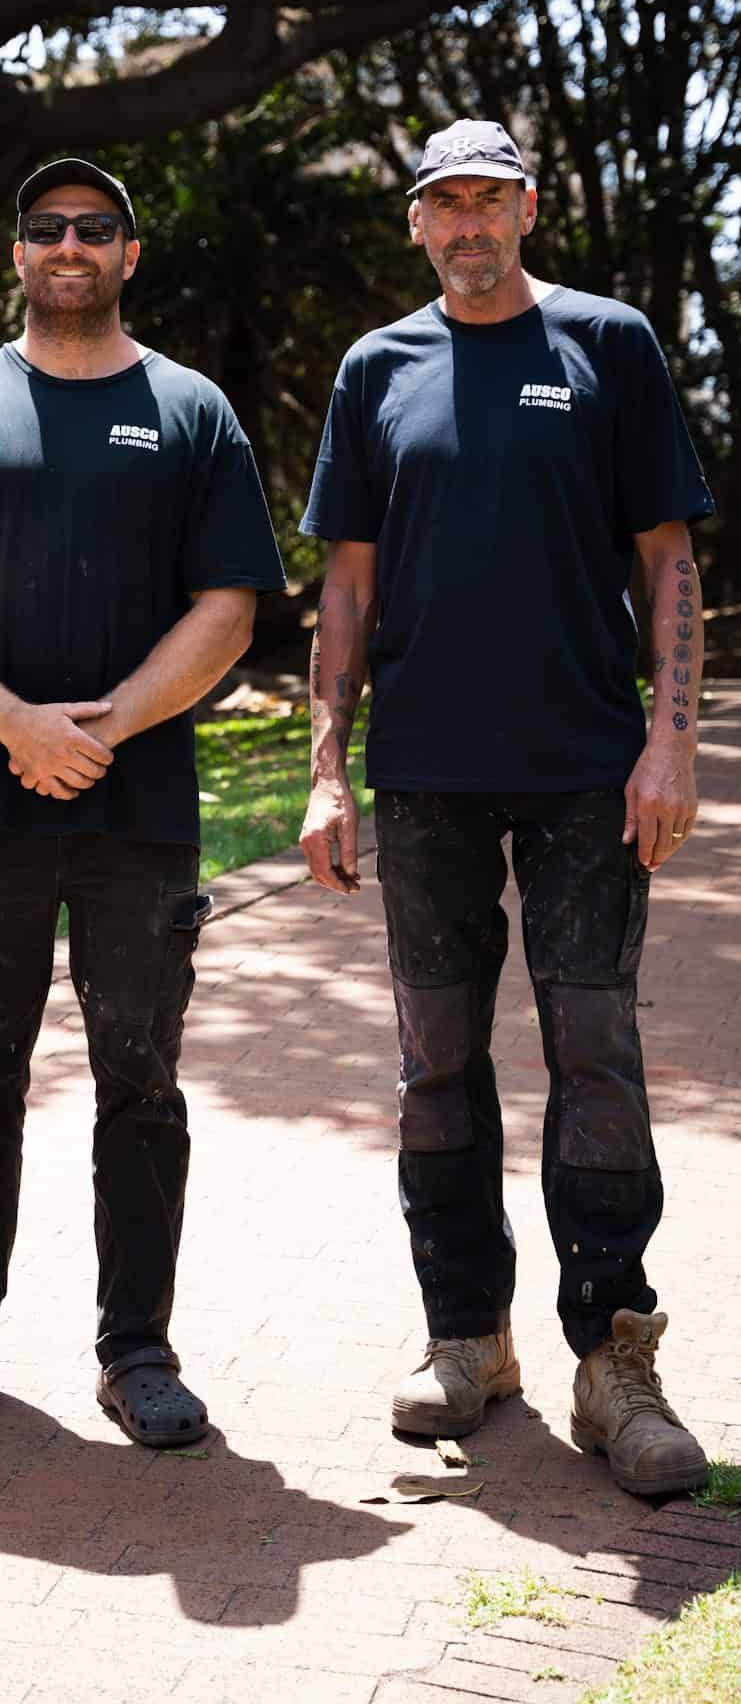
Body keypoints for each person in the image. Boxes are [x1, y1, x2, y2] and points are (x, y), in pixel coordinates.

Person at [298, 117, 715, 1497]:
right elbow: (343, 586)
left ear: (526, 208)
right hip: (422, 774)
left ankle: (612, 1358)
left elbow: (666, 558)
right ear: (414, 222)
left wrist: (669, 743)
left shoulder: (607, 347)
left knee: (593, 1053)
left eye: (489, 199)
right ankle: (465, 1337)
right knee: (433, 1062)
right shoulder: (377, 369)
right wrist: (321, 766)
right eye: (443, 204)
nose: (467, 224)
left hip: (584, 769)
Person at [0, 158, 284, 1447]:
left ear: (129, 255)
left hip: (139, 809)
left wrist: (109, 727)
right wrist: (13, 724)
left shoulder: (195, 412)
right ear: (18, 251)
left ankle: (137, 1352)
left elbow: (229, 607)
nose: (70, 246)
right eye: (46, 227)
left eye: (95, 229)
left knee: (140, 1083)